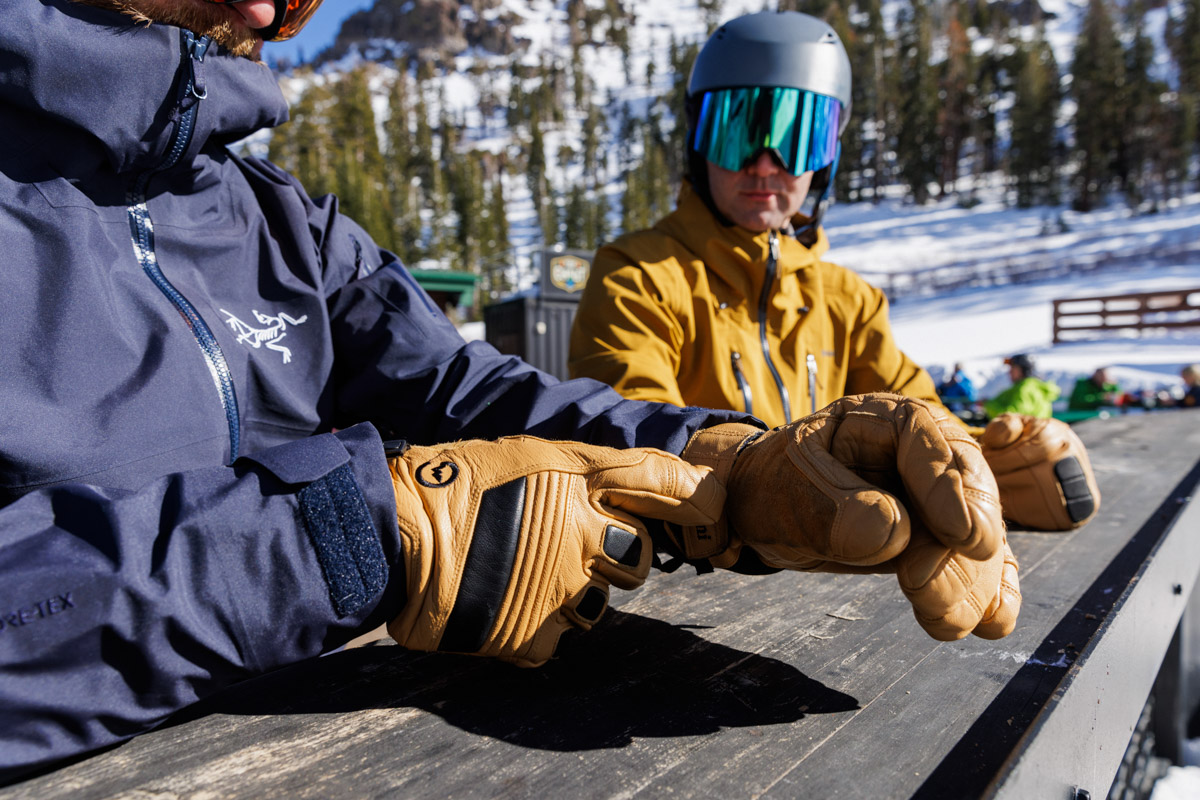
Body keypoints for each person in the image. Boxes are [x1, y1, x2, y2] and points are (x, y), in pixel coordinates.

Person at [0, 1, 1028, 781]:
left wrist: (727, 459)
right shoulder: (642, 270)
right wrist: (345, 536)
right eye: (746, 132)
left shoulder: (277, 224)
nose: (268, 13)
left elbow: (463, 389)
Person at [568, 14, 1096, 523]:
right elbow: (637, 440)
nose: (765, 164)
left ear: (826, 156)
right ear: (698, 143)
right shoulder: (639, 274)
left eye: (795, 137)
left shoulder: (849, 300)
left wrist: (997, 466)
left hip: (833, 561)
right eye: (738, 132)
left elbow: (925, 427)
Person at [984, 354, 1060, 420]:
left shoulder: (1025, 389)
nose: (1009, 372)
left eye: (1013, 368)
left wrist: (987, 405)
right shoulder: (1036, 386)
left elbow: (1012, 417)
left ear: (1023, 370)